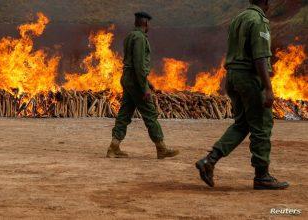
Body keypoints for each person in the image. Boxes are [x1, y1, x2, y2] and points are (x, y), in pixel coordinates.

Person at [195, 0, 289, 190]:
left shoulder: (238, 18)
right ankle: (262, 176)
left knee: (242, 124)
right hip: (249, 78)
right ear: (265, 2)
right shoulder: (258, 20)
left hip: (233, 77)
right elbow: (260, 57)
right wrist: (268, 88)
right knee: (261, 125)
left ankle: (209, 160)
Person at [106, 12, 179, 159]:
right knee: (150, 113)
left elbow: (131, 62)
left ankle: (113, 147)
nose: (149, 26)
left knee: (125, 113)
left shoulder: (130, 36)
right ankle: (161, 148)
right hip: (135, 81)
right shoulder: (140, 38)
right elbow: (139, 64)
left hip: (128, 79)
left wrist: (149, 83)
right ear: (145, 23)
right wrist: (144, 87)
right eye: (149, 23)